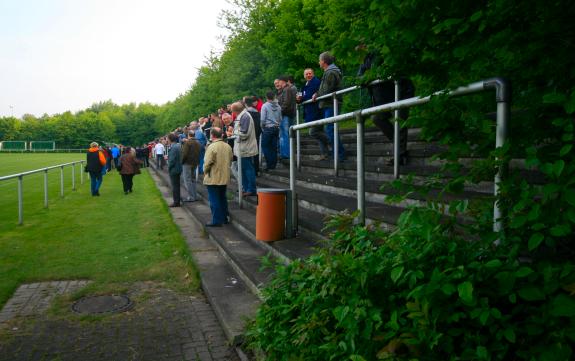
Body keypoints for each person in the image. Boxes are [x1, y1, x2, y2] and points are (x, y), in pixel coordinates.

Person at [358, 52, 415, 165]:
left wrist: (369, 77)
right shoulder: (366, 59)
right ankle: (399, 145)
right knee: (376, 118)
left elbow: (384, 72)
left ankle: (400, 155)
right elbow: (359, 79)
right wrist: (368, 78)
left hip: (400, 93)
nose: (358, 47)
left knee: (399, 120)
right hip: (383, 99)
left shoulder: (382, 52)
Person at [312, 51, 346, 161]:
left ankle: (340, 154)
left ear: (324, 61)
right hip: (330, 104)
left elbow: (327, 90)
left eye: (319, 60)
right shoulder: (330, 71)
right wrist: (317, 93)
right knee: (330, 129)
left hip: (331, 104)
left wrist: (317, 94)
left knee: (331, 129)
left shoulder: (330, 72)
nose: (319, 62)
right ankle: (338, 153)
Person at [203, 127, 233, 227]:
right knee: (222, 198)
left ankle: (216, 220)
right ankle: (224, 218)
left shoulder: (211, 147)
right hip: (224, 176)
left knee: (214, 199)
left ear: (212, 135)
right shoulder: (227, 146)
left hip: (213, 176)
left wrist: (205, 172)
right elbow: (231, 159)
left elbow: (207, 163)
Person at [299, 68, 330, 160]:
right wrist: (298, 100)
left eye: (310, 73)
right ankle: (325, 153)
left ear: (313, 74)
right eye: (306, 74)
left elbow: (308, 96)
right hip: (309, 112)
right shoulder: (304, 85)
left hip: (317, 111)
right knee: (320, 133)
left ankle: (331, 141)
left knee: (313, 132)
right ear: (304, 76)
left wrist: (302, 98)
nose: (308, 75)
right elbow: (301, 97)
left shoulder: (316, 82)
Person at [231, 102, 258, 196]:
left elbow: (244, 133)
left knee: (247, 169)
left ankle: (251, 189)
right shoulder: (243, 115)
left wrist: (233, 132)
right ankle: (246, 188)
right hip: (242, 148)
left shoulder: (245, 116)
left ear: (235, 111)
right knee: (243, 169)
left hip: (245, 148)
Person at [260, 91, 281, 170]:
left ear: (266, 97)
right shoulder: (278, 106)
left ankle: (269, 164)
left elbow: (262, 119)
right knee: (273, 147)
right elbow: (280, 118)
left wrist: (262, 127)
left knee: (265, 146)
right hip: (276, 128)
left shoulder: (264, 106)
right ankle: (273, 164)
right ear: (274, 96)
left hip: (268, 128)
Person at [277, 76, 296, 160]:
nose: (278, 84)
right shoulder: (283, 90)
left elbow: (286, 103)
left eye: (279, 82)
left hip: (285, 115)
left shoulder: (286, 89)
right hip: (284, 115)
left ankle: (286, 154)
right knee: (283, 135)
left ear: (282, 81)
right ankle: (284, 154)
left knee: (285, 135)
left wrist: (279, 111)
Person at [244, 96, 262, 176]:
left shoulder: (246, 113)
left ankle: (251, 171)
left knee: (249, 154)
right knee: (256, 153)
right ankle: (256, 170)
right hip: (256, 135)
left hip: (249, 136)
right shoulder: (257, 112)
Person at [181, 130, 201, 202]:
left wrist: (182, 161)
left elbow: (185, 154)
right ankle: (194, 196)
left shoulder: (187, 142)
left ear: (188, 135)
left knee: (187, 180)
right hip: (195, 163)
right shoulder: (198, 142)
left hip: (187, 163)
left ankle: (191, 196)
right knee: (192, 180)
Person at [167, 133, 183, 207]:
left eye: (167, 138)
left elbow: (172, 161)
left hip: (174, 169)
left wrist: (169, 168)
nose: (167, 140)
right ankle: (177, 200)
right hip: (178, 168)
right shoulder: (178, 145)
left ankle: (176, 202)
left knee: (175, 187)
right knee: (177, 186)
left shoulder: (173, 147)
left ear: (170, 139)